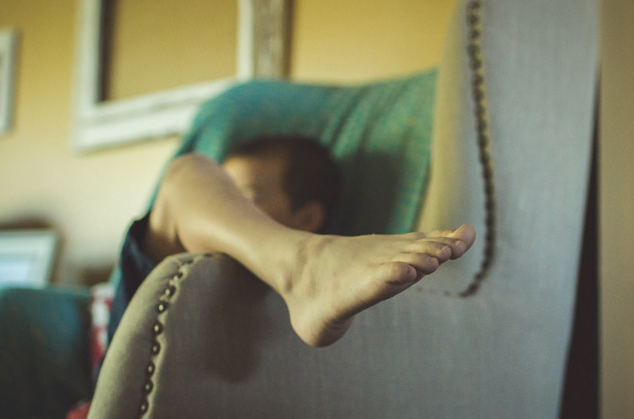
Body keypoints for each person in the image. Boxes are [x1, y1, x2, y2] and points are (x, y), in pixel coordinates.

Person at [108, 134, 476, 348]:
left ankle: (306, 267)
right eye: (219, 197)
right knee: (188, 170)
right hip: (126, 368)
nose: (221, 208)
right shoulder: (169, 256)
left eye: (243, 199)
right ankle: (305, 264)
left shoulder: (357, 292)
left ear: (308, 218)